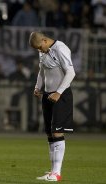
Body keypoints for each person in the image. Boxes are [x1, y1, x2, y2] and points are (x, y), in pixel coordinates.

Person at [29, 32, 75, 182]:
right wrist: (38, 86)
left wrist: (59, 92)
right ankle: (53, 171)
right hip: (48, 95)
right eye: (37, 49)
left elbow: (71, 72)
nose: (40, 51)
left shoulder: (61, 48)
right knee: (49, 134)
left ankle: (57, 173)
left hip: (61, 96)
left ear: (44, 40)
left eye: (40, 47)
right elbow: (42, 70)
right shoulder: (43, 51)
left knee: (57, 133)